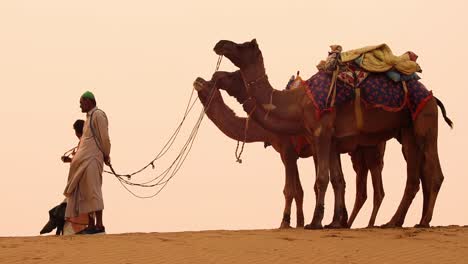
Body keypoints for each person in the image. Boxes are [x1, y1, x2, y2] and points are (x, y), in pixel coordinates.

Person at [63, 91, 111, 234]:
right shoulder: (88, 118)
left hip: (92, 160)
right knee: (85, 193)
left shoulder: (98, 115)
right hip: (83, 162)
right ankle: (90, 225)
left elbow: (105, 138)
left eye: (81, 102)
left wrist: (106, 154)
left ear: (89, 102)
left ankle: (99, 225)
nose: (80, 106)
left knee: (94, 192)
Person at [40, 119, 85, 235]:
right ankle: (57, 225)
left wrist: (71, 160)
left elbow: (81, 161)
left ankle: (57, 225)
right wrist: (70, 160)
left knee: (70, 206)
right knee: (69, 205)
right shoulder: (84, 143)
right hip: (79, 179)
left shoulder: (85, 144)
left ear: (76, 132)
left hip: (80, 180)